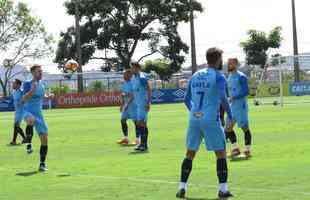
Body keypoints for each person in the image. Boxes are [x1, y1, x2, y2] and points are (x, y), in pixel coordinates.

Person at [176, 48, 234, 199]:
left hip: (194, 118)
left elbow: (185, 99)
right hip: (210, 119)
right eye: (221, 58)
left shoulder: (195, 75)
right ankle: (223, 190)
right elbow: (223, 97)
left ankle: (181, 187)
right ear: (218, 59)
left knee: (190, 153)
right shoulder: (219, 76)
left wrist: (195, 113)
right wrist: (230, 115)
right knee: (220, 153)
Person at [21, 64, 49, 172]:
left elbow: (42, 96)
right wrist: (32, 91)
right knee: (30, 120)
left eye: (41, 71)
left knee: (45, 140)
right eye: (38, 71)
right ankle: (28, 143)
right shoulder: (28, 83)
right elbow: (23, 100)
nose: (41, 73)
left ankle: (42, 164)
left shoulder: (42, 84)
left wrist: (48, 96)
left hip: (39, 114)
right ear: (32, 73)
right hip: (27, 111)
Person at [225, 58, 252, 158]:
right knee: (228, 128)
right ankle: (235, 149)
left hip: (241, 106)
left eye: (231, 64)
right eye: (228, 63)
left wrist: (234, 97)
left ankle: (247, 150)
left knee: (245, 128)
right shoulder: (230, 76)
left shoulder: (241, 77)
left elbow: (246, 92)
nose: (229, 65)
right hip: (232, 106)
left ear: (236, 65)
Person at [131, 62, 152, 152]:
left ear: (138, 68)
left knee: (142, 123)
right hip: (138, 104)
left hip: (143, 103)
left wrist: (148, 102)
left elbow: (149, 89)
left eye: (133, 68)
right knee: (139, 123)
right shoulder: (134, 78)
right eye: (131, 68)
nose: (132, 69)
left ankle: (144, 145)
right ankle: (142, 144)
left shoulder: (142, 77)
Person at [117, 70, 140, 146]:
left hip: (133, 105)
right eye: (123, 74)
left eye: (125, 75)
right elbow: (123, 94)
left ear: (129, 75)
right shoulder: (124, 83)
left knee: (136, 122)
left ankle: (137, 140)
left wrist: (126, 105)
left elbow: (133, 96)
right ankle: (126, 138)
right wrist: (122, 105)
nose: (123, 76)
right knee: (123, 120)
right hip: (126, 105)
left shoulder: (132, 84)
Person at [9, 79, 26, 145]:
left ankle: (22, 139)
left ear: (18, 85)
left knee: (16, 125)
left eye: (14, 83)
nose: (12, 85)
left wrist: (21, 102)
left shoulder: (22, 92)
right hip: (17, 111)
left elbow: (25, 99)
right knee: (16, 126)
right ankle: (17, 140)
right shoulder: (14, 92)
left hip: (21, 111)